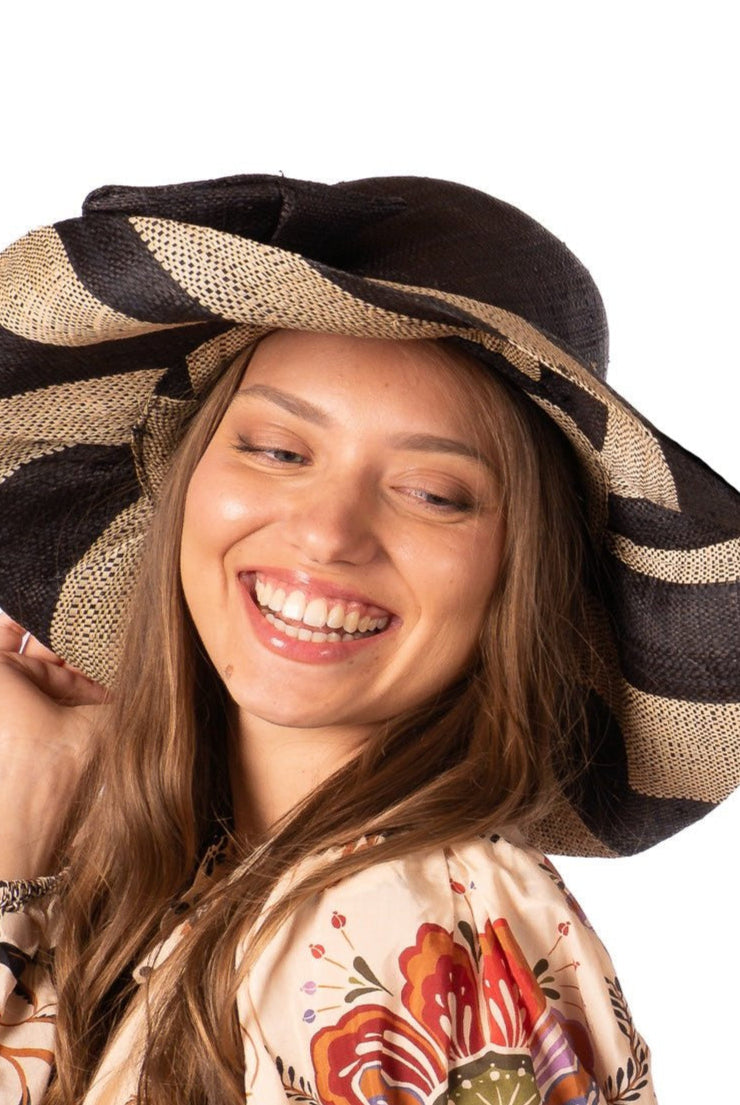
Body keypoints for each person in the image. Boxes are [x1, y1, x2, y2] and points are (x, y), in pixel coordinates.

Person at [0, 173, 737, 1105]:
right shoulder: (180, 889)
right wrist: (27, 804)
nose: (327, 533)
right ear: (186, 483)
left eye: (433, 493)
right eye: (278, 450)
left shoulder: (399, 924)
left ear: (520, 574)